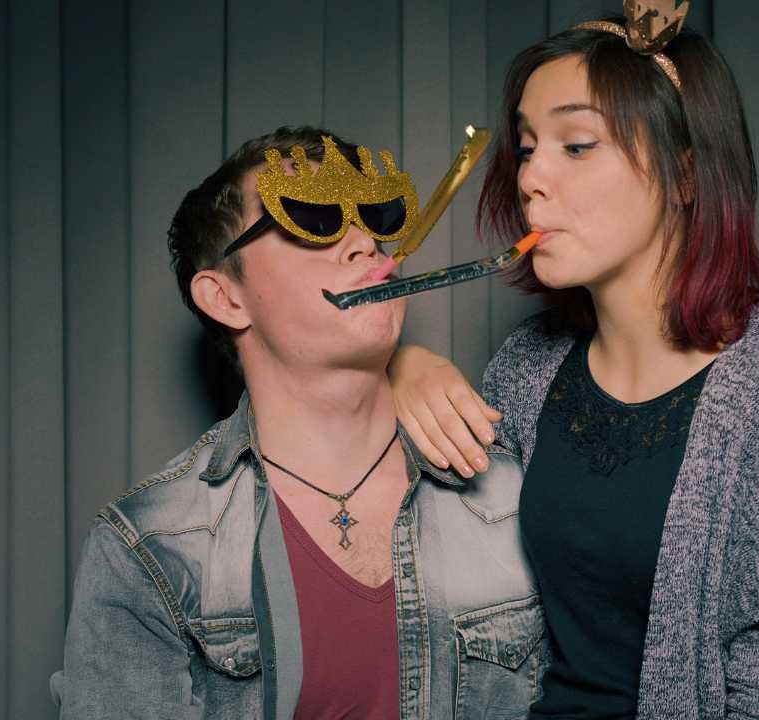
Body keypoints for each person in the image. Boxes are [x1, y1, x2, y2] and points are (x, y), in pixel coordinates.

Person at [389, 11, 759, 719]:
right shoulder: (526, 369)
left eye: (577, 144)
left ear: (684, 175)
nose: (531, 179)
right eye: (526, 147)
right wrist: (399, 367)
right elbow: (433, 586)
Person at [50, 127, 549, 719]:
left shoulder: (517, 491)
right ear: (225, 297)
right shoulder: (150, 552)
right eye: (312, 218)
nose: (364, 242)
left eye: (373, 215)